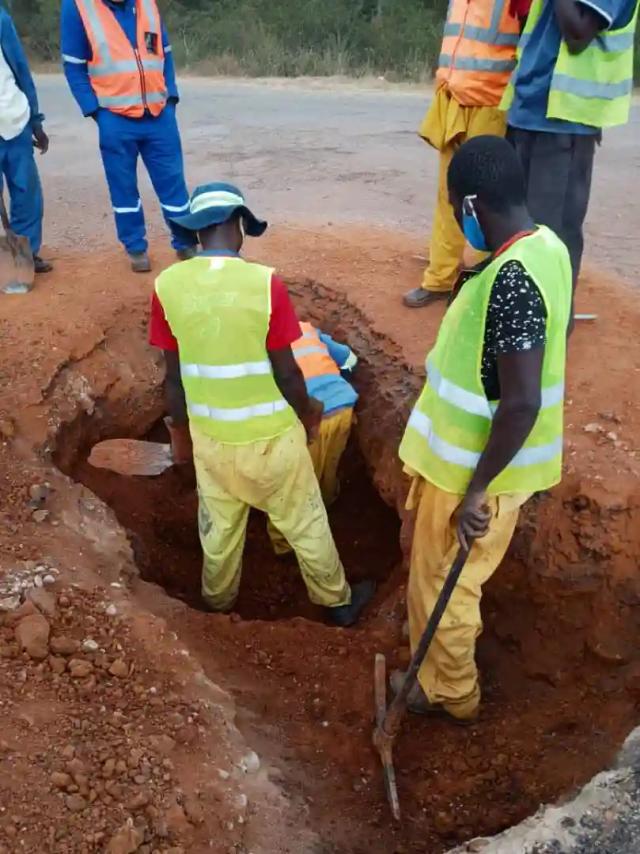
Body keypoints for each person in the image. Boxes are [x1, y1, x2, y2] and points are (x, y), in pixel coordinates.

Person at [396, 136, 572, 722]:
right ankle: (441, 680)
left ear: (472, 206)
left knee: (444, 590)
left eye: (454, 209)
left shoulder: (513, 282)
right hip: (478, 467)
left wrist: (476, 489)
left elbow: (521, 402)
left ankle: (451, 694)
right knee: (446, 581)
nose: (453, 219)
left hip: (470, 474)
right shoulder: (547, 247)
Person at [148, 182, 375, 626]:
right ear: (237, 225)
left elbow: (173, 378)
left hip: (212, 440)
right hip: (271, 440)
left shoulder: (167, 285)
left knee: (219, 531)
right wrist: (309, 414)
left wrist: (181, 437)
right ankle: (338, 604)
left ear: (197, 231)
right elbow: (288, 371)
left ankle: (216, 608)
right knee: (306, 523)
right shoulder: (263, 283)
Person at [502, 0, 638, 293]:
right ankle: (516, 324)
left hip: (564, 122)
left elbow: (577, 35)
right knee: (517, 231)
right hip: (527, 110)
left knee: (550, 240)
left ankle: (547, 333)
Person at [61, 0, 196, 273]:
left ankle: (185, 242)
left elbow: (164, 53)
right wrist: (96, 112)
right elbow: (74, 67)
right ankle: (135, 247)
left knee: (174, 185)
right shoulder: (78, 7)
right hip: (115, 117)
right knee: (123, 187)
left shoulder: (148, 4)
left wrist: (170, 97)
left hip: (159, 115)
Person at [403, 0, 522, 309]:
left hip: (491, 101)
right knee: (448, 193)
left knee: (488, 197)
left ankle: (489, 282)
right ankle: (440, 280)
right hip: (453, 97)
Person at [267, 321, 358, 554]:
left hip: (311, 419)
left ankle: (285, 544)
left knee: (293, 482)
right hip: (344, 407)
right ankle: (325, 507)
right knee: (328, 467)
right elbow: (350, 360)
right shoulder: (307, 329)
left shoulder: (261, 348)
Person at [0, 7, 51, 275]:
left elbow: (20, 69)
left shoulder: (1, 19)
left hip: (14, 119)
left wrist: (35, 122)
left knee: (27, 194)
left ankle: (25, 255)